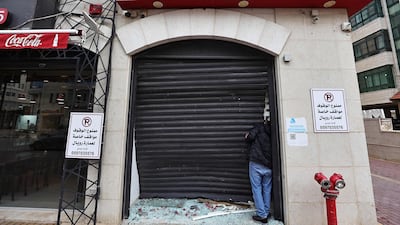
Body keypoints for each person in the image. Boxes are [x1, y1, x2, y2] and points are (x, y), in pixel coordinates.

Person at [244, 121, 272, 223]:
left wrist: (247, 135)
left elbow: (249, 137)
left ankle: (262, 214)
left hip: (256, 163)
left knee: (256, 189)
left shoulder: (258, 127)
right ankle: (266, 211)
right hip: (269, 165)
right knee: (267, 189)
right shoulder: (274, 131)